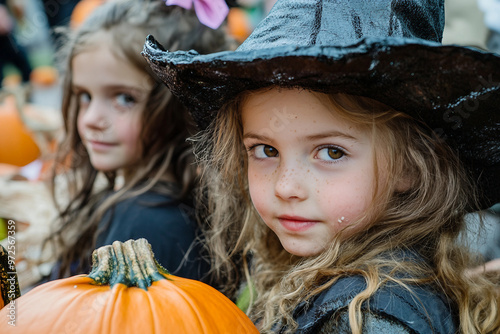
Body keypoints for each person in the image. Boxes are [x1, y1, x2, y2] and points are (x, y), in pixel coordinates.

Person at [143, 0, 500, 332]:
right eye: (266, 150)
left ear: (411, 166)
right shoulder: (328, 274)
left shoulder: (367, 316)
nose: (286, 187)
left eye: (331, 153)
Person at [46, 0, 235, 283]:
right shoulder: (182, 205)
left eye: (124, 98)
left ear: (182, 105)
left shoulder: (143, 224)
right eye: (85, 96)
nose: (91, 119)